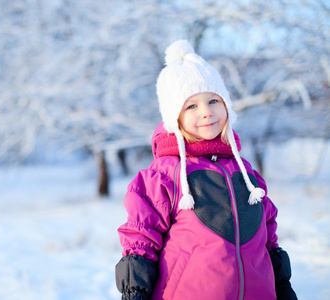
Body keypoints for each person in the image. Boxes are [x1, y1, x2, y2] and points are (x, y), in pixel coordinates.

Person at [115, 40, 298, 300]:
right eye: (191, 106)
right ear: (173, 117)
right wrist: (135, 291)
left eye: (213, 100)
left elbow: (268, 236)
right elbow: (140, 238)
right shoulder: (164, 175)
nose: (206, 112)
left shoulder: (245, 174)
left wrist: (282, 285)